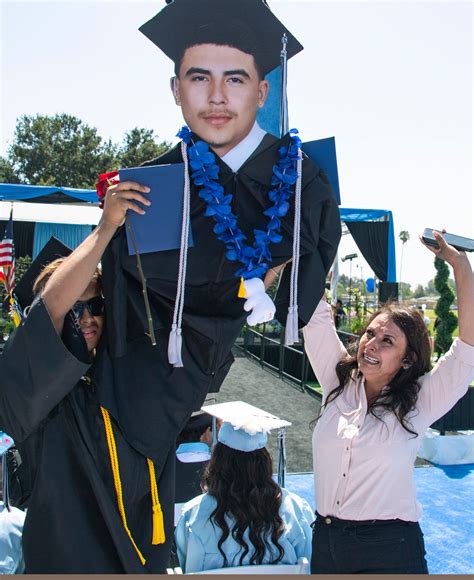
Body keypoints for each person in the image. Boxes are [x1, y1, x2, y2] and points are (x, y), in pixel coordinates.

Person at [91, 0, 340, 569]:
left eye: (236, 78)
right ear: (176, 89)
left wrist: (274, 297)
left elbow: (308, 273)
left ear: (263, 91)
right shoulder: (150, 189)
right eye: (199, 78)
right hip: (164, 380)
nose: (218, 96)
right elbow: (133, 308)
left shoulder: (305, 182)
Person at [0, 186, 177, 572]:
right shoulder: (31, 389)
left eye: (95, 304)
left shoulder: (131, 375)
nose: (85, 317)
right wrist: (105, 229)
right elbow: (50, 308)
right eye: (73, 307)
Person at [303, 230, 474, 574]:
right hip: (325, 541)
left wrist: (459, 264)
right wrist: (315, 240)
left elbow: (467, 348)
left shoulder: (421, 401)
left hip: (388, 550)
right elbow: (316, 313)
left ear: (408, 360)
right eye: (370, 333)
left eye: (387, 341)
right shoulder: (338, 381)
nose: (370, 344)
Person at [175, 402, 313, 572]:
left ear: (218, 461)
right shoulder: (296, 510)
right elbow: (308, 564)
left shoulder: (194, 515)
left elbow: (185, 565)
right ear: (264, 463)